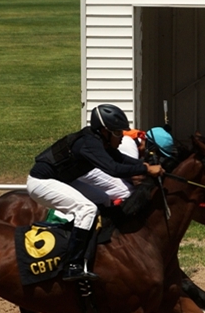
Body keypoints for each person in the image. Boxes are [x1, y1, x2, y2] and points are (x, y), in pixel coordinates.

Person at [27, 104, 164, 282]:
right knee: (87, 209)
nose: (122, 138)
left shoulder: (98, 140)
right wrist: (146, 170)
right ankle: (72, 265)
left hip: (62, 179)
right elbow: (113, 169)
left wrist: (145, 165)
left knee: (104, 199)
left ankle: (95, 246)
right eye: (117, 133)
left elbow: (120, 158)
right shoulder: (89, 143)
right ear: (104, 131)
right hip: (41, 183)